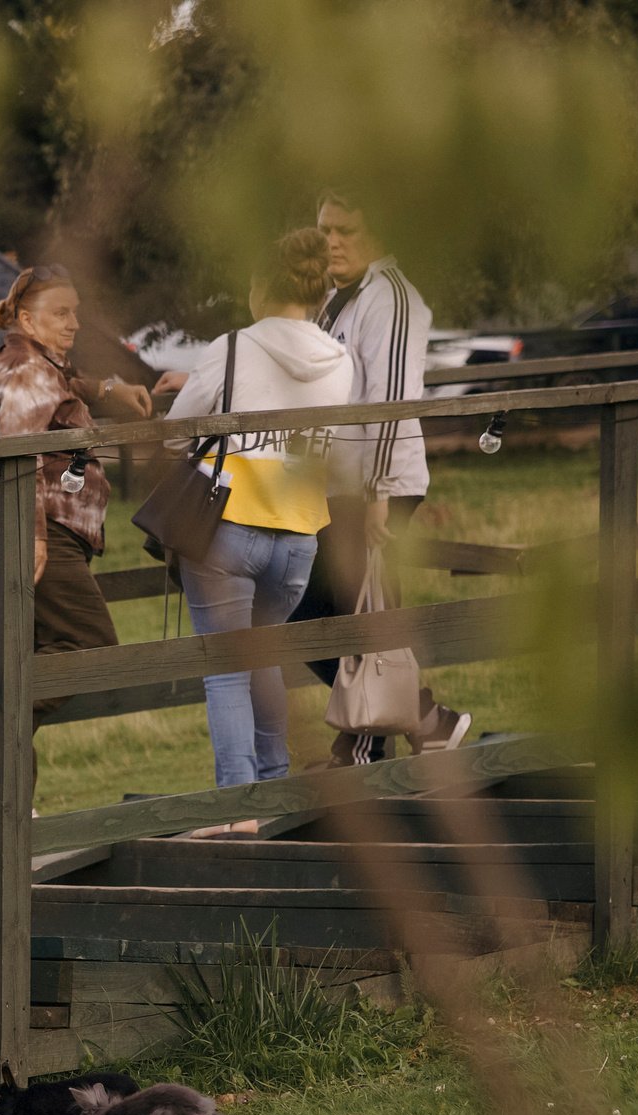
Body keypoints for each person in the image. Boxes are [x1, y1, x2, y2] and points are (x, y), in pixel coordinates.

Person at [162, 228, 353, 827]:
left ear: (261, 286)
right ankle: (272, 789)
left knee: (226, 671)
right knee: (264, 654)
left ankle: (240, 810)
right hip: (300, 533)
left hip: (229, 526)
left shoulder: (233, 348)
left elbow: (172, 434)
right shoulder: (341, 359)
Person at [0, 264, 122, 825]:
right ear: (26, 318)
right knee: (88, 646)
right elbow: (20, 449)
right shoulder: (31, 370)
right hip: (30, 525)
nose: (74, 323)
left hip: (2, 523)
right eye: (61, 313)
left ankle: (0, 807)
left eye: (76, 312)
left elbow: (58, 392)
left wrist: (110, 390)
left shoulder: (19, 362)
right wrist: (34, 535)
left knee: (32, 661)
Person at [290, 191, 471, 763]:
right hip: (338, 487)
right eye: (324, 230)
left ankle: (365, 748)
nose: (332, 242)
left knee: (364, 615)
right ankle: (426, 720)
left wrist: (379, 494)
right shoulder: (334, 299)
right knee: (306, 613)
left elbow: (392, 401)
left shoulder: (392, 297)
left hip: (377, 485)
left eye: (345, 230)